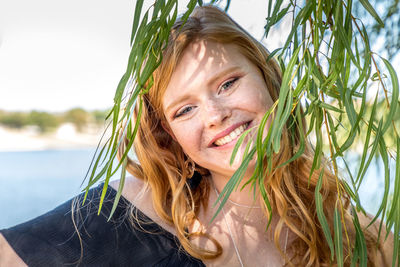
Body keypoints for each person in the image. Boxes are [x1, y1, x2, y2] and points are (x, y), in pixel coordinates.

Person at [0, 5, 394, 267]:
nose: (216, 115)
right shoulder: (132, 213)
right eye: (184, 109)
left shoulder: (357, 236)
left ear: (271, 81)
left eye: (228, 83)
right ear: (170, 136)